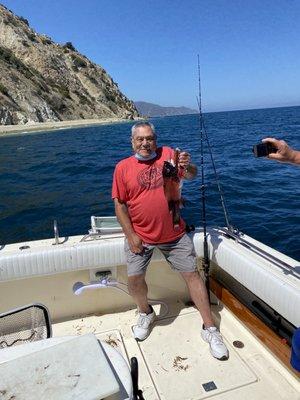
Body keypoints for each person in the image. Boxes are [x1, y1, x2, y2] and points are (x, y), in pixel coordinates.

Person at [112, 121, 229, 360]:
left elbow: (193, 175)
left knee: (192, 275)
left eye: (150, 138)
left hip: (175, 233)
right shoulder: (122, 167)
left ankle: (210, 328)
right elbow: (120, 205)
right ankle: (145, 312)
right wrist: (131, 235)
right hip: (141, 236)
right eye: (140, 139)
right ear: (132, 141)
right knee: (134, 280)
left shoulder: (169, 155)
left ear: (156, 139)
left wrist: (187, 165)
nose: (145, 143)